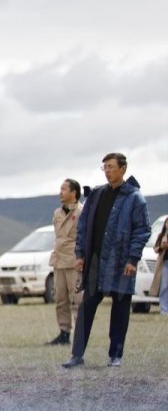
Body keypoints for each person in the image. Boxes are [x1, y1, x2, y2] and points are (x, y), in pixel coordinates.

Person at [63, 153, 151, 369]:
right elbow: (82, 227)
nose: (108, 171)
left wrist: (132, 259)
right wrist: (80, 255)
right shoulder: (96, 195)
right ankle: (76, 355)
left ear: (123, 168)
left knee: (120, 309)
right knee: (86, 308)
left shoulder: (134, 197)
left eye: (111, 166)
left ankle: (115, 356)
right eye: (105, 167)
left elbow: (142, 230)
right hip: (94, 262)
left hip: (121, 263)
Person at [47, 179, 82, 346]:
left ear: (74, 192)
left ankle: (80, 334)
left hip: (74, 259)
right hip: (59, 259)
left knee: (76, 299)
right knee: (60, 298)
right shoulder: (57, 213)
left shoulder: (82, 212)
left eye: (64, 189)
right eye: (60, 189)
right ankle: (64, 332)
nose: (60, 192)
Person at [151, 216, 168, 315]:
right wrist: (162, 247)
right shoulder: (161, 235)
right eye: (167, 223)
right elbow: (156, 248)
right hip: (165, 262)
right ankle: (164, 309)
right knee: (164, 286)